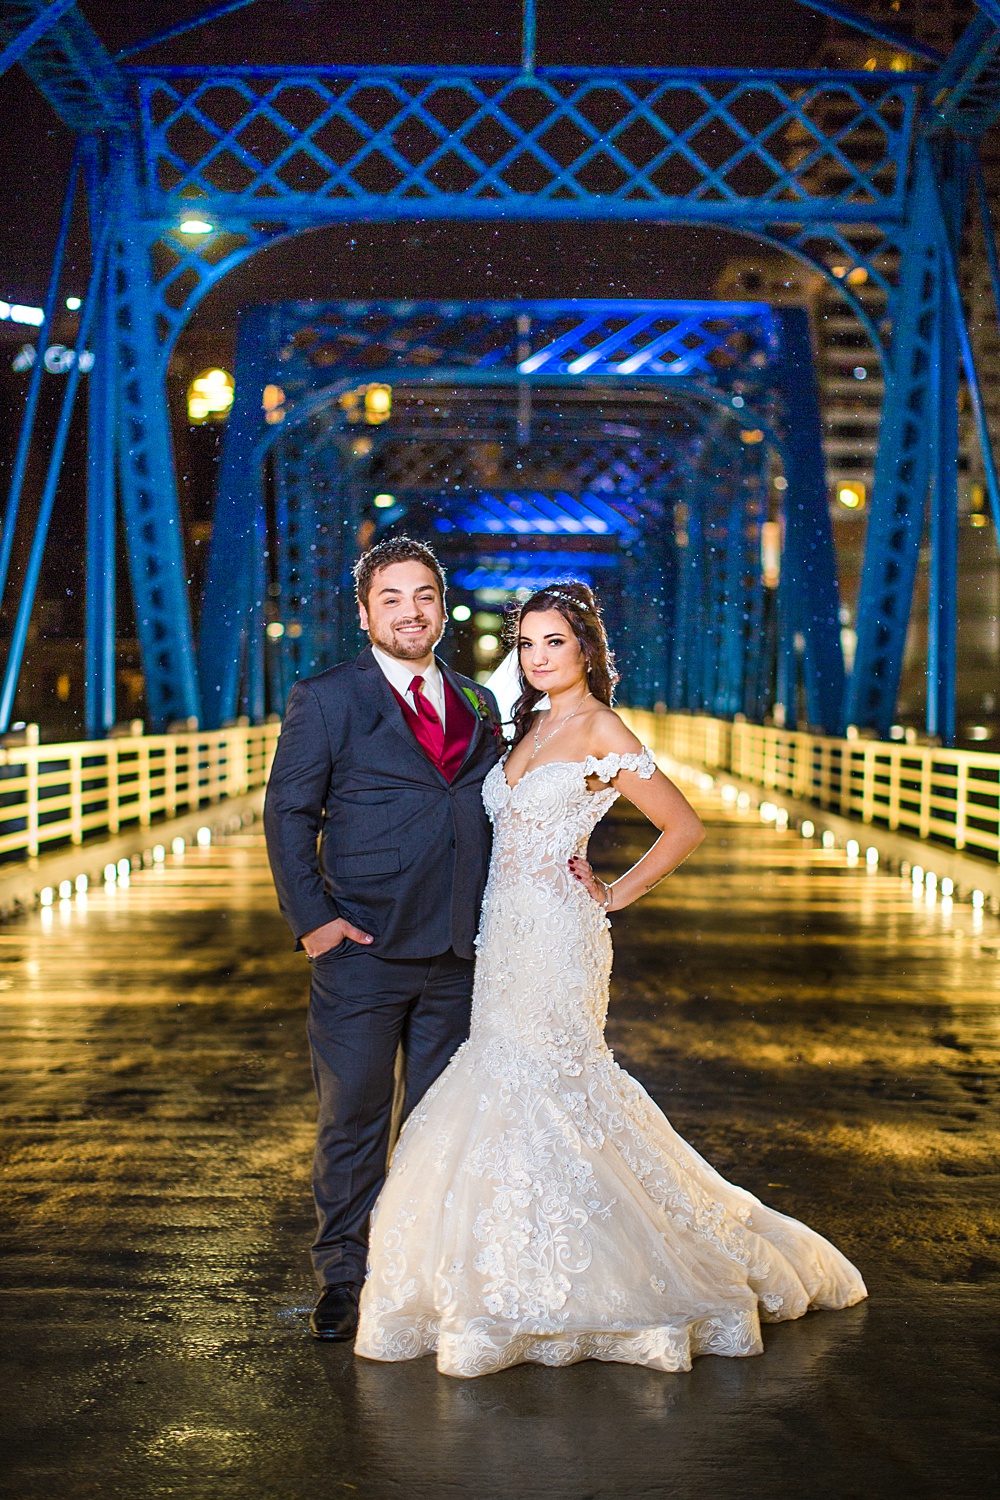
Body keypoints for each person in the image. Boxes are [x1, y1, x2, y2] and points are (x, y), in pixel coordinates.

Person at [355, 581, 867, 1378]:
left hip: (560, 933)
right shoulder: (525, 723)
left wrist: (611, 894)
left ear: (587, 649)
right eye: (525, 643)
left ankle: (597, 1274)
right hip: (503, 933)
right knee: (501, 1072)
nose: (537, 656)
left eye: (554, 641)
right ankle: (502, 1266)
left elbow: (682, 825)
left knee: (555, 1078)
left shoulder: (601, 728)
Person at [263, 536, 502, 1342]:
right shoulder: (326, 698)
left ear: (442, 607)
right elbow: (289, 814)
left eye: (425, 595)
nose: (411, 610)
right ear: (364, 612)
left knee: (437, 1128)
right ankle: (344, 1275)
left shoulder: (477, 701)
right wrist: (316, 924)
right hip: (360, 950)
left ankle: (417, 1270)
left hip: (457, 955)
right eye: (392, 597)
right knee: (354, 1120)